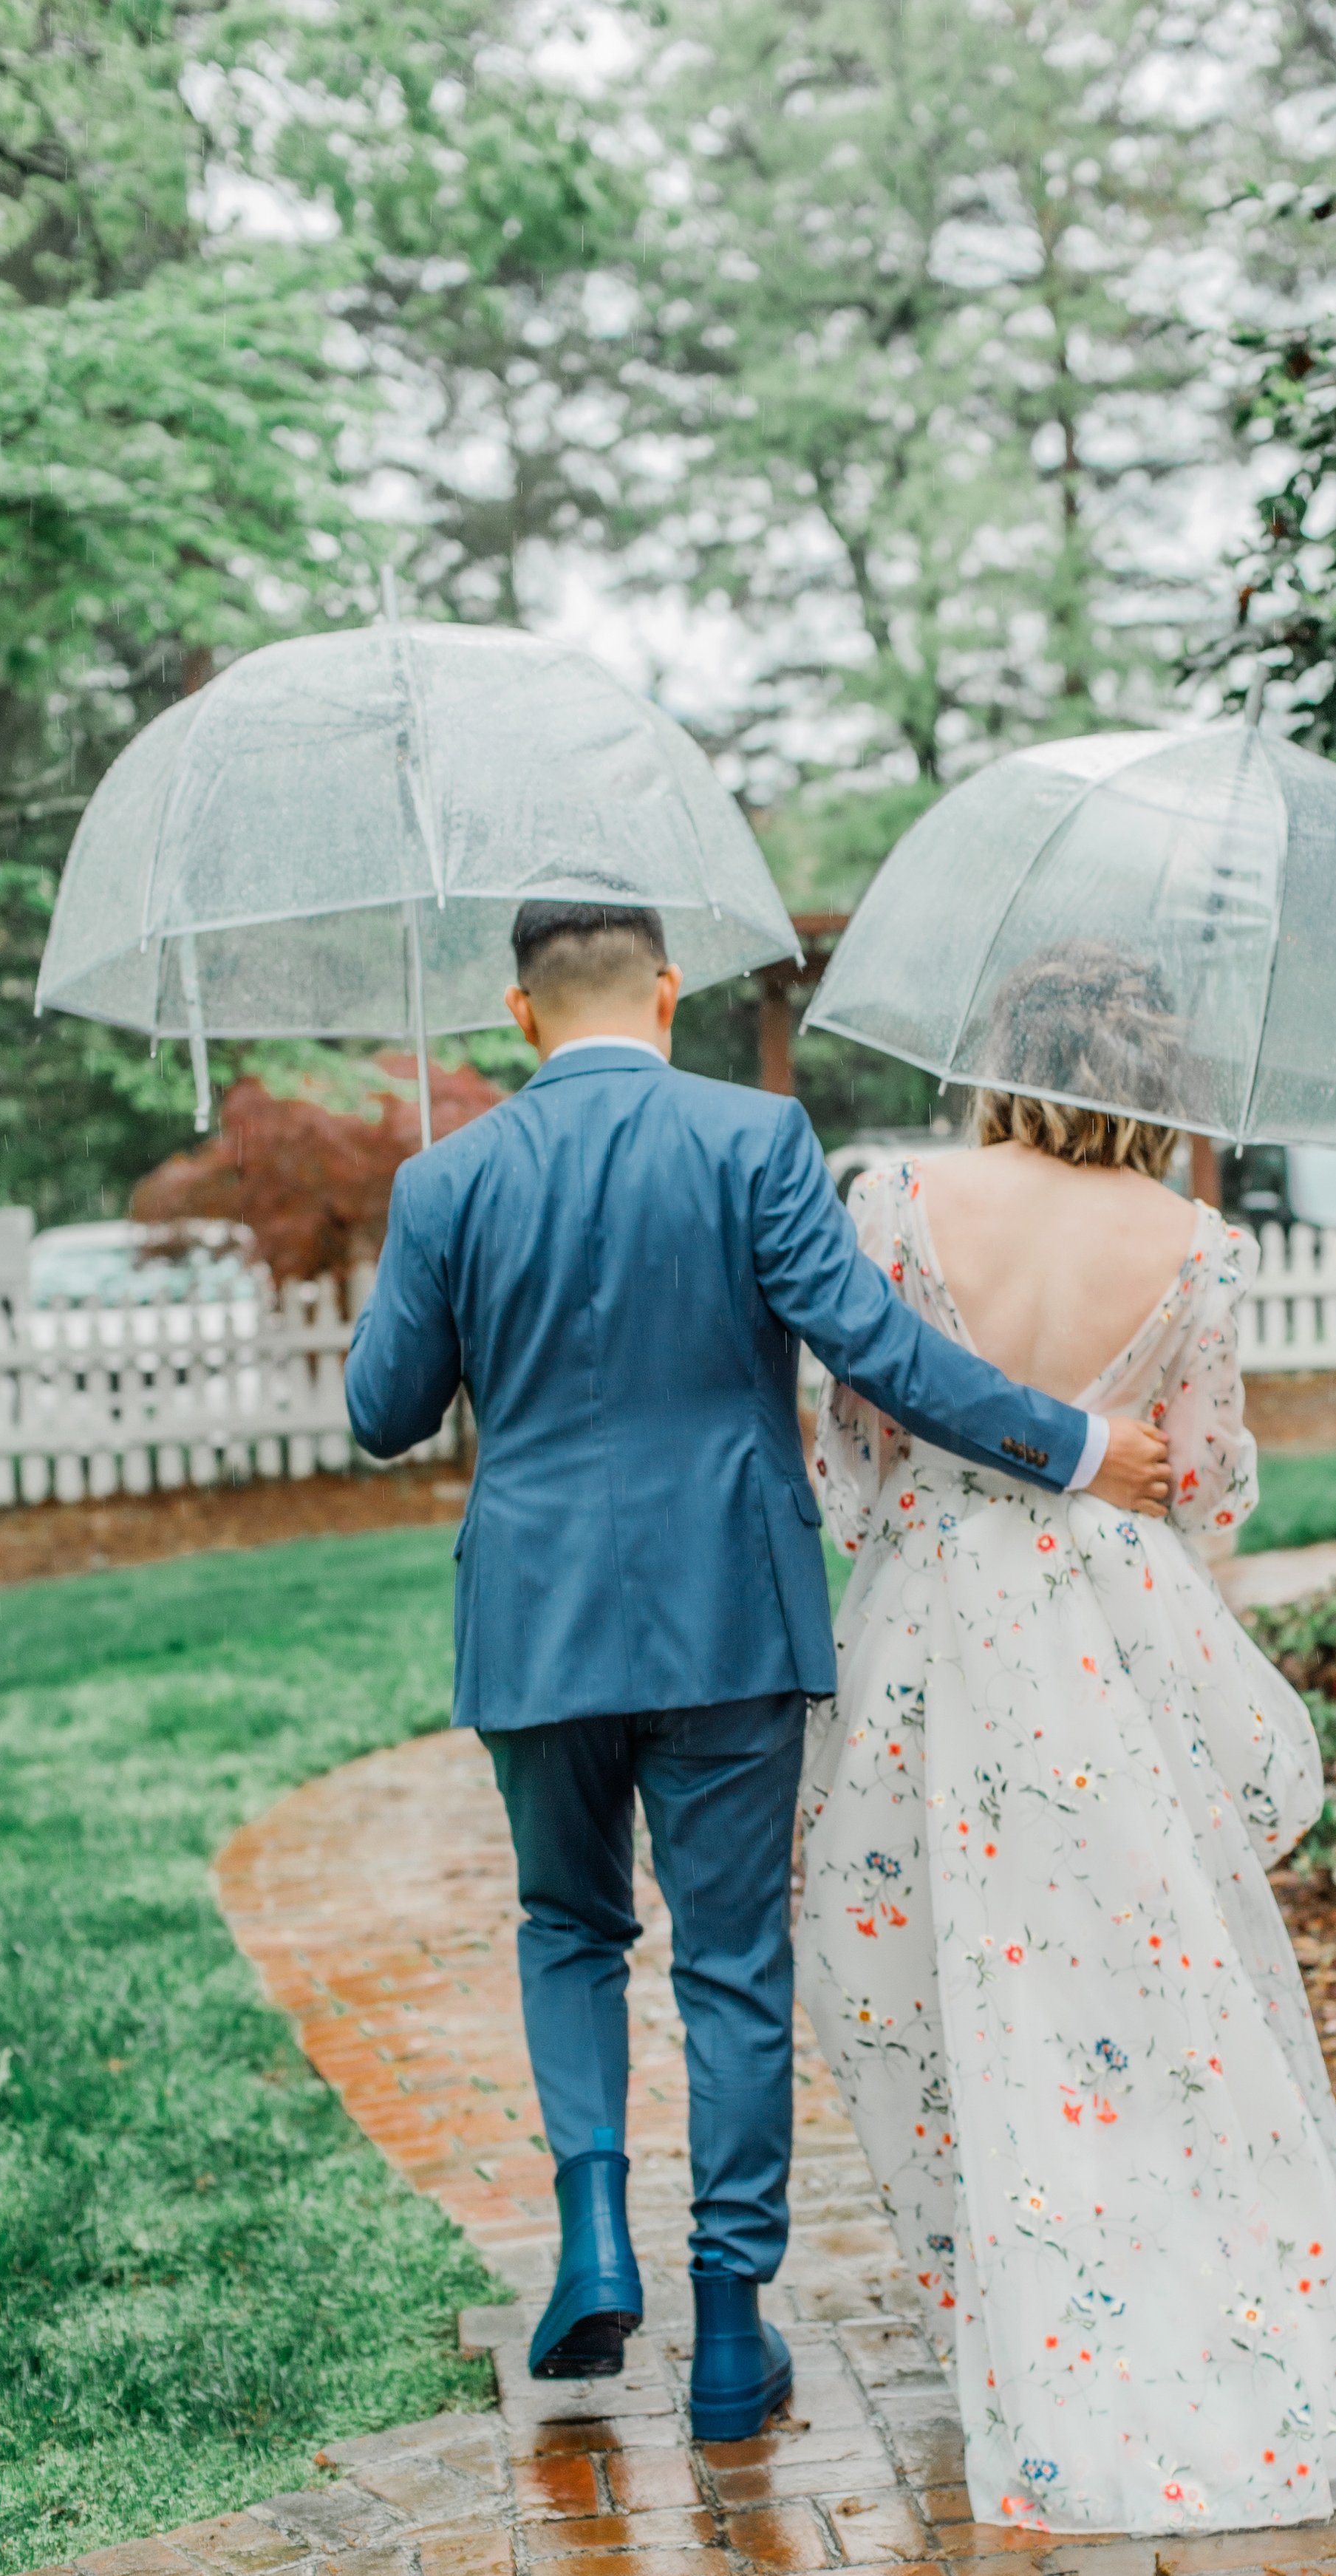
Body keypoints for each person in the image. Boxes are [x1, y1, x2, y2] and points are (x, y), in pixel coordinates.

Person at [344, 900, 1171, 2446]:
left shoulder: (445, 1176)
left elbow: (381, 1410)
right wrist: (1065, 1443)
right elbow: (872, 1345)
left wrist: (425, 1254)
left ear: (520, 1016)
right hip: (727, 1609)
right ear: (664, 993)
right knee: (730, 1963)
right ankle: (731, 2335)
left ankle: (592, 2238)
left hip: (532, 1623)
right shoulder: (752, 1137)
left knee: (568, 1926)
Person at [797, 949, 1336, 2533]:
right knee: (1152, 1990)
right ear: (1157, 1083)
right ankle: (1184, 2312)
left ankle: (1018, 2321)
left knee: (939, 1989)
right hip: (1107, 1642)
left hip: (927, 1639)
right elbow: (1209, 1484)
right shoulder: (1194, 1244)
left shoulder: (892, 1195)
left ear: (1004, 1054)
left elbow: (856, 1449)